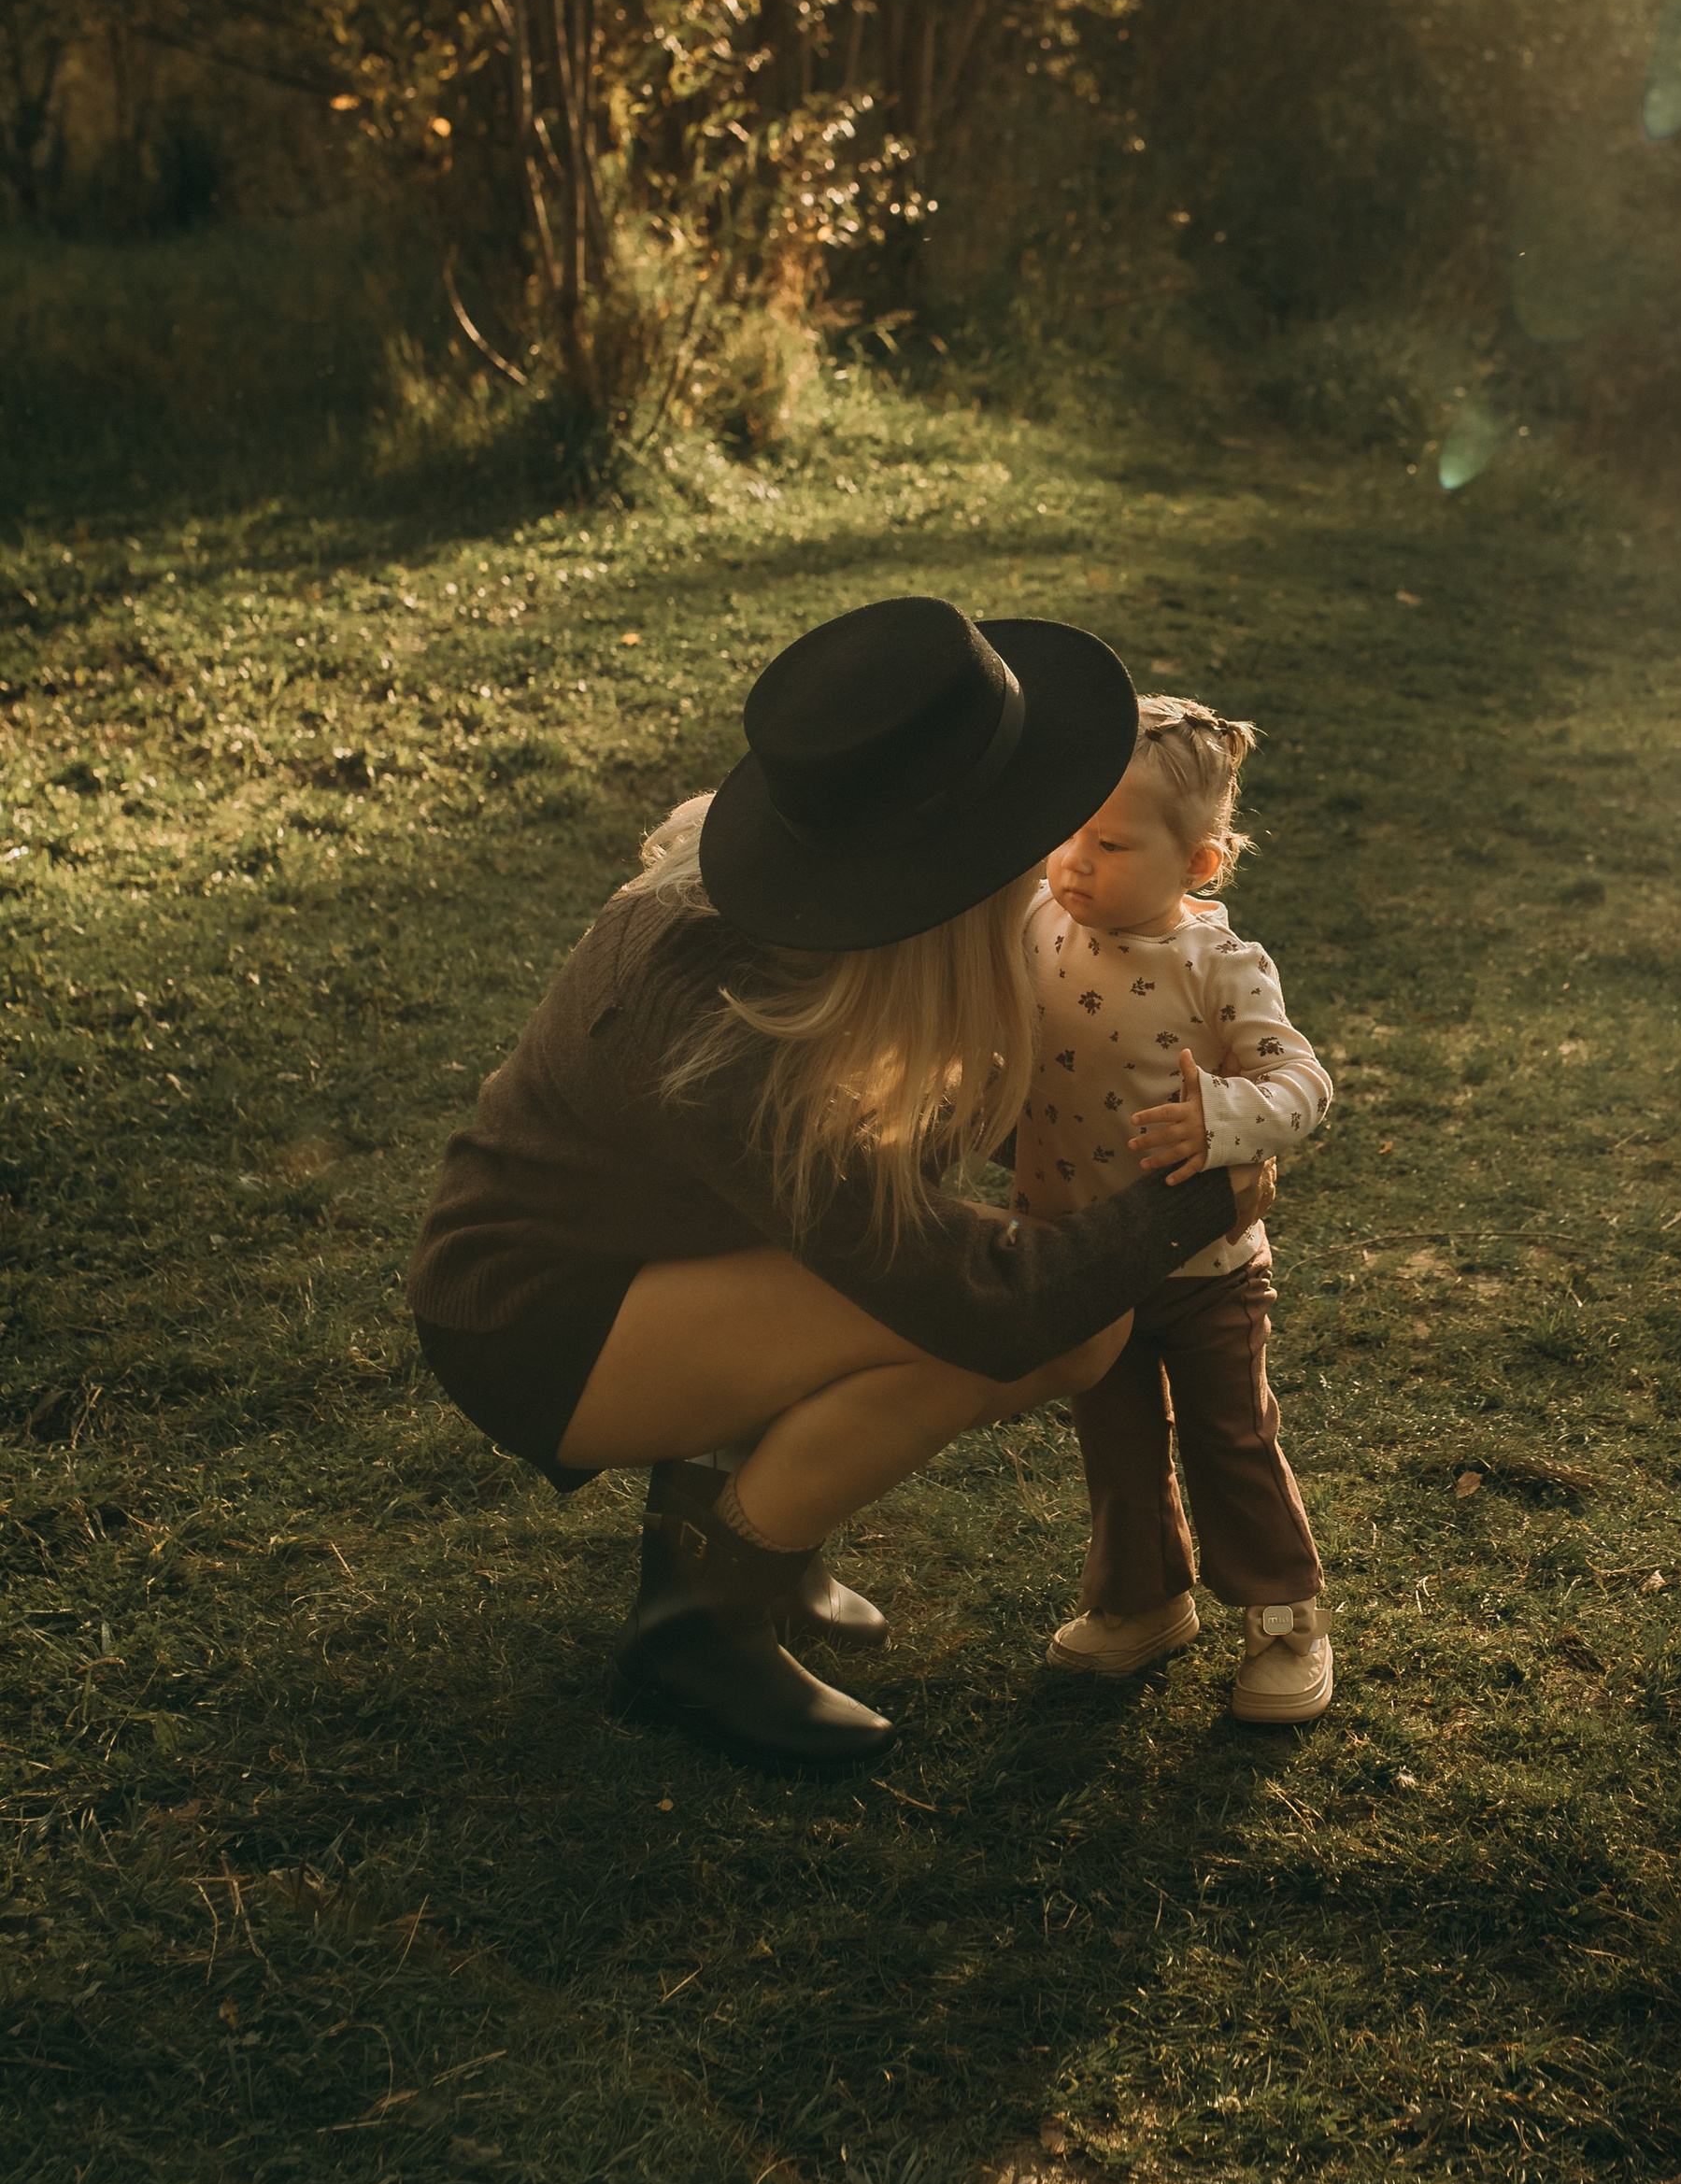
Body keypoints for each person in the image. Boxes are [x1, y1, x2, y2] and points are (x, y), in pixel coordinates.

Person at [406, 599, 1273, 1769]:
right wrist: (1202, 1194)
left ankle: (735, 1541)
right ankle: (698, 1626)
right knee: (1045, 1330)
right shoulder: (726, 1030)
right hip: (534, 1319)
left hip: (664, 1260)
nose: (1055, 848)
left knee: (1002, 1306)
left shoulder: (842, 928)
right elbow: (978, 1299)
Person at [1019, 699, 1337, 1723]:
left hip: (1205, 1271)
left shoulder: (1219, 965)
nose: (1073, 859)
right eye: (1066, 831)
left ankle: (1285, 1615)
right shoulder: (1039, 923)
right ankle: (1143, 1598)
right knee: (1113, 1444)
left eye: (1107, 843)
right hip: (1079, 1259)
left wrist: (1227, 1121)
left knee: (1228, 1438)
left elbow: (1305, 1087)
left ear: (1199, 864)